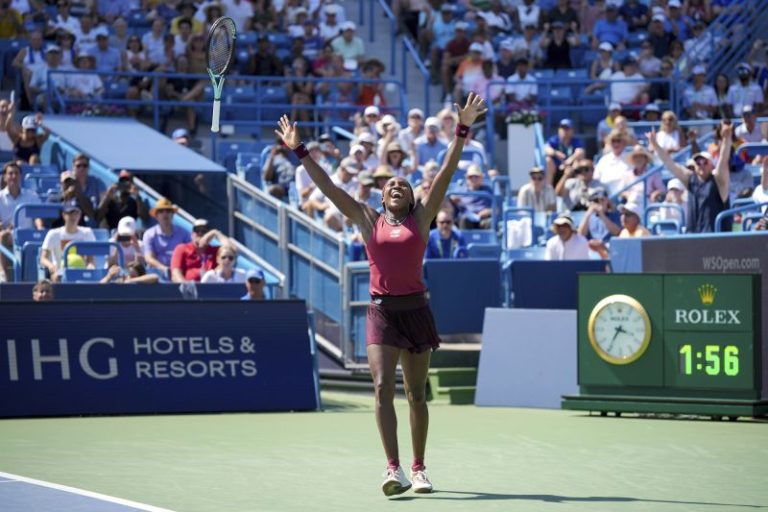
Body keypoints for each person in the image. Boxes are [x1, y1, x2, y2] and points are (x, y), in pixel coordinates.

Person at [274, 93, 487, 496]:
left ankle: (419, 468)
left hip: (417, 311)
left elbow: (445, 172)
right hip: (382, 314)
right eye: (390, 185)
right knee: (381, 388)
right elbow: (328, 186)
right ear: (381, 196)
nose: (396, 186)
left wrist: (461, 129)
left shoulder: (422, 218)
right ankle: (394, 470)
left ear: (410, 198)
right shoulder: (365, 217)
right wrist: (298, 150)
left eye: (403, 185)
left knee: (415, 395)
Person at [647, 121, 733, 233]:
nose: (701, 165)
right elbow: (670, 163)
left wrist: (726, 138)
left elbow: (723, 160)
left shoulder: (718, 180)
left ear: (711, 165)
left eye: (705, 162)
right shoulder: (691, 180)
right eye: (698, 163)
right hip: (694, 235)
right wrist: (655, 145)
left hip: (716, 236)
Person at [40, 200, 96, 281]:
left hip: (82, 272)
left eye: (76, 213)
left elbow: (91, 259)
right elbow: (43, 258)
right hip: (59, 272)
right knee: (56, 277)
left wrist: (90, 266)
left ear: (80, 215)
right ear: (64, 215)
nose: (73, 216)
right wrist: (51, 265)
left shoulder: (87, 233)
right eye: (70, 213)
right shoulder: (53, 234)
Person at [170, 218, 231, 283]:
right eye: (197, 230)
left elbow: (231, 249)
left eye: (204, 231)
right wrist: (185, 285)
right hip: (190, 289)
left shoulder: (215, 251)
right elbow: (175, 273)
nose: (200, 233)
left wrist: (216, 233)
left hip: (212, 289)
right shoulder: (182, 248)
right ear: (192, 234)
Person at [142, 198, 190, 277]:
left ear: (172, 214)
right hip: (157, 275)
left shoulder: (184, 233)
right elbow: (149, 258)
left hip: (180, 273)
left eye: (168, 211)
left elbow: (190, 253)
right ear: (156, 216)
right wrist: (164, 269)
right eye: (161, 211)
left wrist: (176, 270)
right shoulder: (149, 234)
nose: (165, 214)